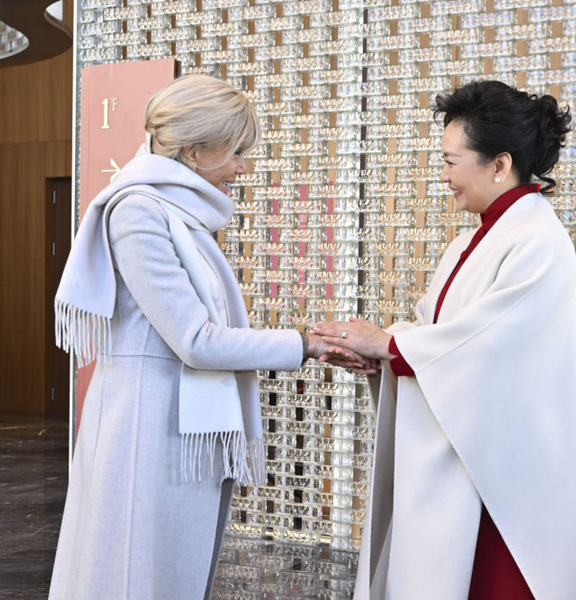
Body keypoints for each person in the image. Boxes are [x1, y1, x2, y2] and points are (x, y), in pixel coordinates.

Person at [49, 74, 356, 600]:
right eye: (235, 152)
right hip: (144, 426)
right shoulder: (138, 212)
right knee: (134, 574)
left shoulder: (176, 212)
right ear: (193, 152)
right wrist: (304, 343)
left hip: (175, 424)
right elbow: (196, 339)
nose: (242, 167)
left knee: (168, 572)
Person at [314, 80, 576, 599]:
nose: (444, 175)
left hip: (504, 478)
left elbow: (489, 346)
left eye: (451, 161)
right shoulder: (474, 240)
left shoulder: (538, 240)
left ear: (499, 164)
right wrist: (376, 353)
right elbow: (441, 336)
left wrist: (390, 347)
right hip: (468, 458)